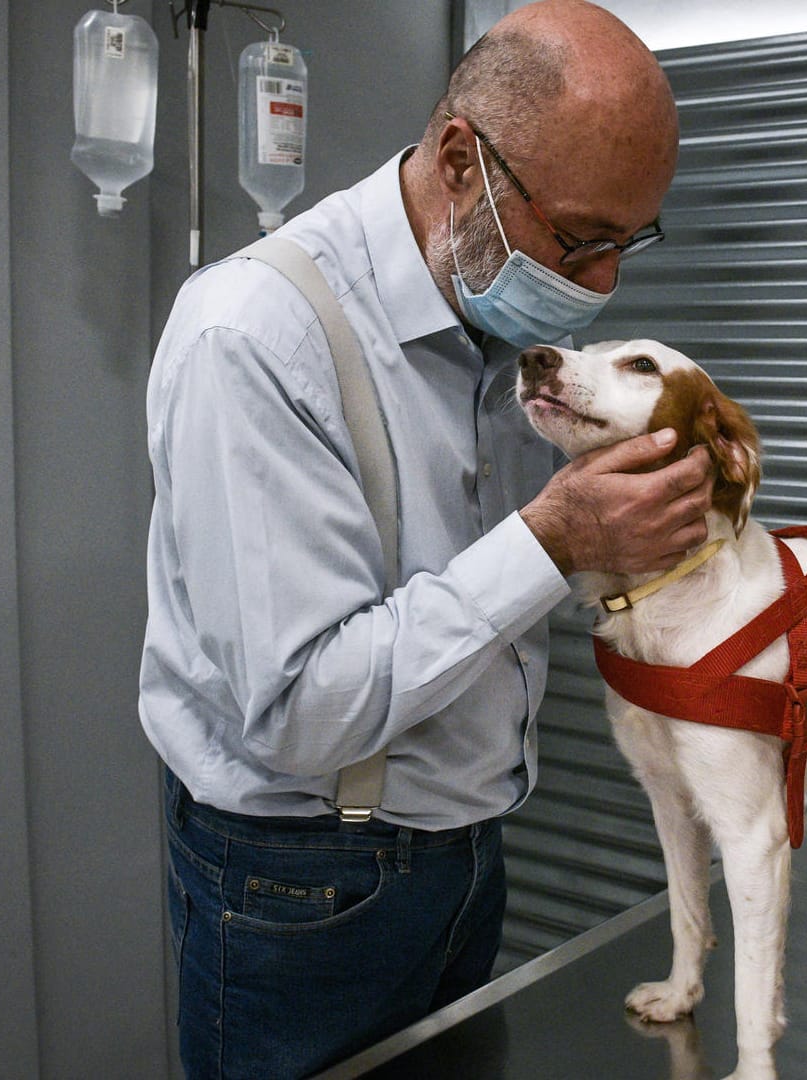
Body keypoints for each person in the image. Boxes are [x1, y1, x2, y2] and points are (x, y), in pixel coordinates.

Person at [139, 2, 711, 1076]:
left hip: (469, 855)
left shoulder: (501, 316)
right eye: (583, 239)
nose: (601, 287)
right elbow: (303, 712)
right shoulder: (255, 339)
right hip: (300, 890)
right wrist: (555, 538)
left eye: (627, 246)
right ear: (462, 160)